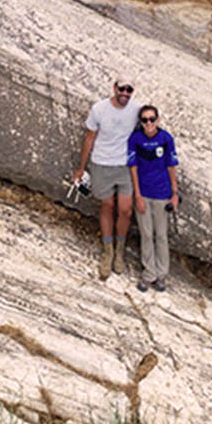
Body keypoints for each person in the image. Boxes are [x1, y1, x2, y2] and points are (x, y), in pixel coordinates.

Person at [72, 75, 141, 280]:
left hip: (125, 166)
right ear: (114, 88)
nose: (125, 94)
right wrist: (81, 168)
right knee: (107, 206)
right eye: (122, 89)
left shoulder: (136, 109)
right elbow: (89, 138)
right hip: (102, 163)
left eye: (129, 90)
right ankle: (108, 250)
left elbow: (149, 126)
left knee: (126, 210)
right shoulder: (99, 109)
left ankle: (119, 249)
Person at [127, 105, 178, 292]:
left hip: (162, 193)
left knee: (161, 235)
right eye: (145, 120)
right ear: (140, 122)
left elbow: (171, 166)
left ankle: (162, 274)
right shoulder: (136, 139)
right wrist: (137, 195)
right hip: (144, 193)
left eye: (152, 119)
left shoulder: (166, 139)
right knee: (146, 234)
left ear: (157, 120)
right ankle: (149, 273)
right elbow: (133, 167)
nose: (148, 123)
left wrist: (175, 193)